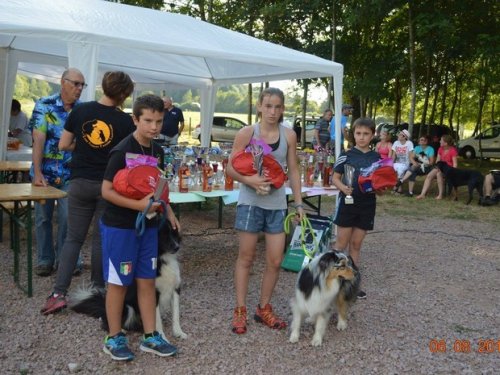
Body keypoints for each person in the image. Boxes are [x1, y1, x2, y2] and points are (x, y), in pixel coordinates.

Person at [41, 71, 136, 315]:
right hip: (107, 185)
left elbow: (63, 145)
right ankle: (97, 290)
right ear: (124, 94)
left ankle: (58, 293)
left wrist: (82, 146)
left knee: (73, 238)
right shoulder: (125, 122)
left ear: (104, 86)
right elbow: (126, 157)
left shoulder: (80, 111)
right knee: (101, 239)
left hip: (80, 182)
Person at [100, 94, 180, 361]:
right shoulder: (122, 150)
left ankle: (151, 336)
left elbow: (157, 186)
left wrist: (167, 211)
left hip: (150, 227)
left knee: (147, 280)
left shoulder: (158, 151)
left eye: (158, 121)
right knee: (119, 283)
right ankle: (113, 337)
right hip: (121, 228)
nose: (154, 127)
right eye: (147, 121)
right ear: (135, 119)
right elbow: (106, 191)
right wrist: (136, 206)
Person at [227, 87, 304, 334]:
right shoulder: (247, 132)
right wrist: (251, 181)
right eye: (268, 105)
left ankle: (263, 308)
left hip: (277, 205)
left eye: (278, 106)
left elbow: (293, 170)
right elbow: (230, 168)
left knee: (275, 259)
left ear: (283, 109)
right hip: (250, 202)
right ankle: (240, 310)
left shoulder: (289, 135)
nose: (272, 111)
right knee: (246, 257)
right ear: (259, 106)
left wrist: (299, 203)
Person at [30, 68, 85, 277]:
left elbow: (83, 142)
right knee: (43, 219)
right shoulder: (44, 105)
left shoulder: (82, 110)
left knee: (68, 218)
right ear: (63, 82)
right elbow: (39, 140)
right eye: (75, 84)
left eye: (82, 85)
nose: (79, 89)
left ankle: (68, 259)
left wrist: (70, 146)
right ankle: (45, 259)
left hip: (71, 174)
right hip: (45, 173)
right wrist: (36, 173)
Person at [331, 117, 381, 299]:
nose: (361, 137)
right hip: (347, 204)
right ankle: (334, 280)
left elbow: (380, 183)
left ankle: (352, 283)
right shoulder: (346, 155)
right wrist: (344, 188)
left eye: (366, 134)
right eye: (358, 133)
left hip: (367, 205)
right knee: (341, 244)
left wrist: (381, 188)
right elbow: (335, 177)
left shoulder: (377, 158)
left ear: (372, 135)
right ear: (353, 134)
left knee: (356, 244)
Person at [416, 134, 458, 200]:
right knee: (429, 175)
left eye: (441, 140)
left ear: (446, 143)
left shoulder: (453, 151)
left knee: (439, 174)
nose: (439, 141)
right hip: (440, 167)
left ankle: (440, 195)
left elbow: (455, 164)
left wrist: (453, 172)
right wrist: (438, 167)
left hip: (449, 170)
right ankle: (422, 194)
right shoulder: (440, 149)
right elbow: (438, 161)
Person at [391, 129, 414, 193]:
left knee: (400, 170)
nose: (398, 135)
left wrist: (411, 163)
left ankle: (397, 188)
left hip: (405, 163)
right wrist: (391, 164)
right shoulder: (396, 143)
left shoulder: (409, 143)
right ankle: (398, 188)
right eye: (399, 134)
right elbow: (393, 155)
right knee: (391, 169)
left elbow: (410, 155)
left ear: (405, 137)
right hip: (397, 163)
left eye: (400, 134)